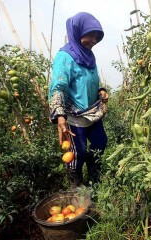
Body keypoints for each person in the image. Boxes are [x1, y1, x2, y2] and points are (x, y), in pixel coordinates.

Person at [48, 12, 108, 188]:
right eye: (90, 35)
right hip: (74, 116)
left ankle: (95, 177)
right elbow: (59, 86)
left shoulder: (89, 57)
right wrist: (60, 116)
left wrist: (101, 90)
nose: (93, 41)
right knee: (77, 152)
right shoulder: (65, 56)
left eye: (96, 38)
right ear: (77, 31)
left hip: (91, 113)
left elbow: (89, 82)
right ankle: (76, 185)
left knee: (100, 143)